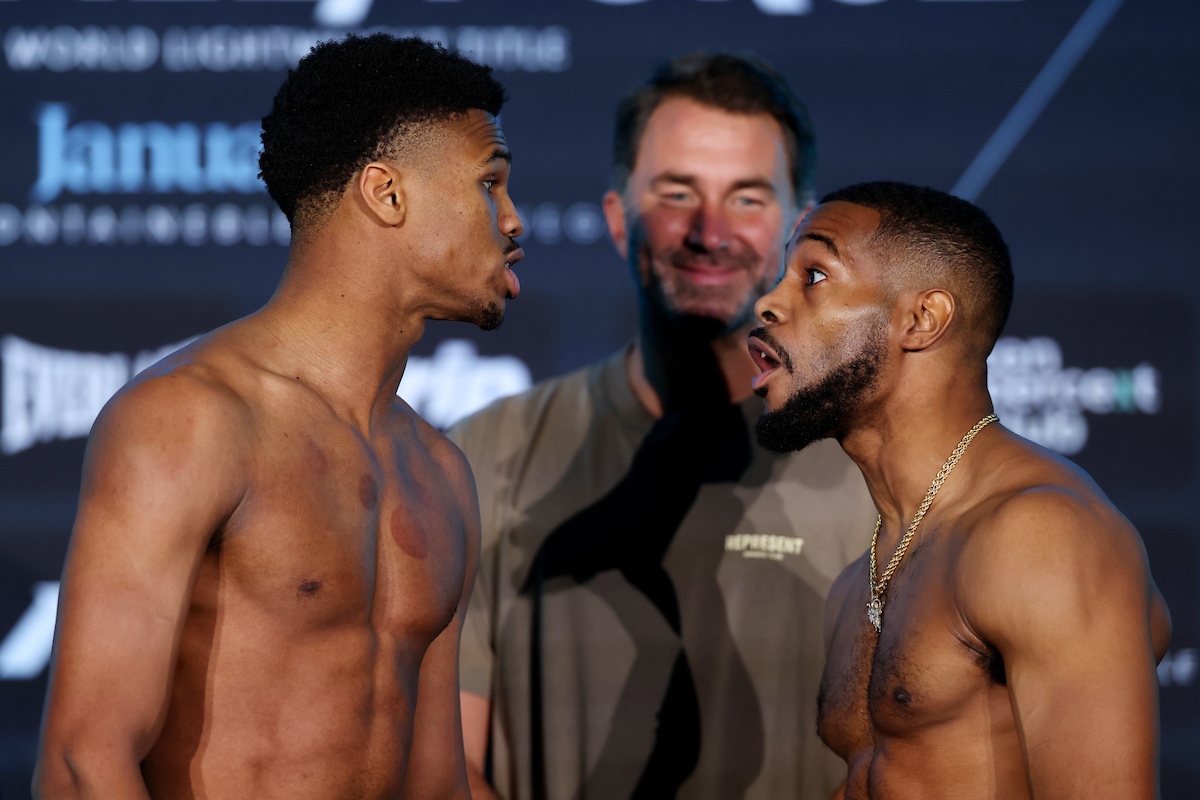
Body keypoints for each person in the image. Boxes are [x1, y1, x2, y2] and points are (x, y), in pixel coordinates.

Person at [34, 34, 522, 800]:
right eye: (489, 185)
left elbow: (436, 785)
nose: (514, 221)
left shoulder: (439, 472)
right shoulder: (193, 419)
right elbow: (82, 760)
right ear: (386, 194)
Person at [450, 53, 877, 800]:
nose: (710, 233)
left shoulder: (881, 468)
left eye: (747, 199)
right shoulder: (485, 455)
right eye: (678, 194)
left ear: (798, 231)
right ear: (619, 220)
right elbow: (444, 769)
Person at [748, 181, 1172, 799]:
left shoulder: (1042, 537)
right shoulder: (859, 579)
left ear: (921, 320)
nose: (768, 302)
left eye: (813, 276)